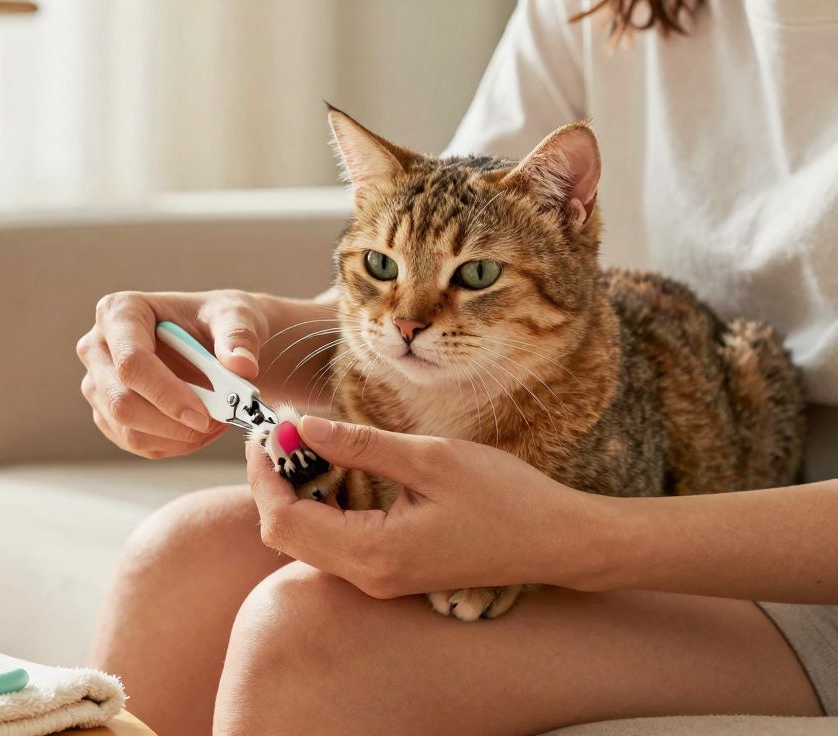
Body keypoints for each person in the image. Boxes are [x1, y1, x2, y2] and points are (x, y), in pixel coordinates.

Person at [76, 1, 838, 733]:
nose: (410, 311)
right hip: (542, 379)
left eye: (474, 278)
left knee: (310, 638)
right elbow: (430, 244)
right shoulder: (602, 6)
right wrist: (242, 331)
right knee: (177, 558)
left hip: (779, 542)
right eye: (375, 265)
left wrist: (566, 537)